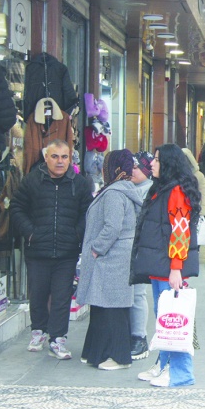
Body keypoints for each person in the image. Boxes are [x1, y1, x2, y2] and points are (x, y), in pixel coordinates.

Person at [10, 139, 93, 359]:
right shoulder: (32, 181)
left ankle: (58, 339)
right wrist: (30, 233)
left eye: (64, 157)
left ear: (70, 158)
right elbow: (17, 208)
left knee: (62, 296)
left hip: (66, 252)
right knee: (37, 293)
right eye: (55, 156)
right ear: (46, 157)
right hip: (37, 250)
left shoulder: (81, 184)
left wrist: (76, 234)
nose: (59, 161)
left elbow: (88, 213)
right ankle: (38, 331)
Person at [131, 143, 201, 387]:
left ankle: (181, 372)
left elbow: (180, 232)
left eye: (157, 160)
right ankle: (164, 364)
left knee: (175, 319)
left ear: (169, 164)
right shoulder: (162, 189)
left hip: (169, 268)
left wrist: (175, 268)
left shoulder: (176, 192)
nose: (152, 163)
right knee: (165, 318)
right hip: (160, 266)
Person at [76, 150, 142, 370]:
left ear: (112, 168)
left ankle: (117, 357)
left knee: (111, 308)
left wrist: (96, 249)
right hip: (116, 257)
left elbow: (112, 227)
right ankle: (95, 351)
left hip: (111, 257)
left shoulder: (114, 192)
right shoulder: (122, 189)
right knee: (104, 305)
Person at [129, 151, 155, 359]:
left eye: (137, 167)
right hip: (125, 249)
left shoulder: (151, 191)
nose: (132, 170)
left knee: (138, 294)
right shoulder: (128, 188)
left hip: (140, 249)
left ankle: (139, 336)